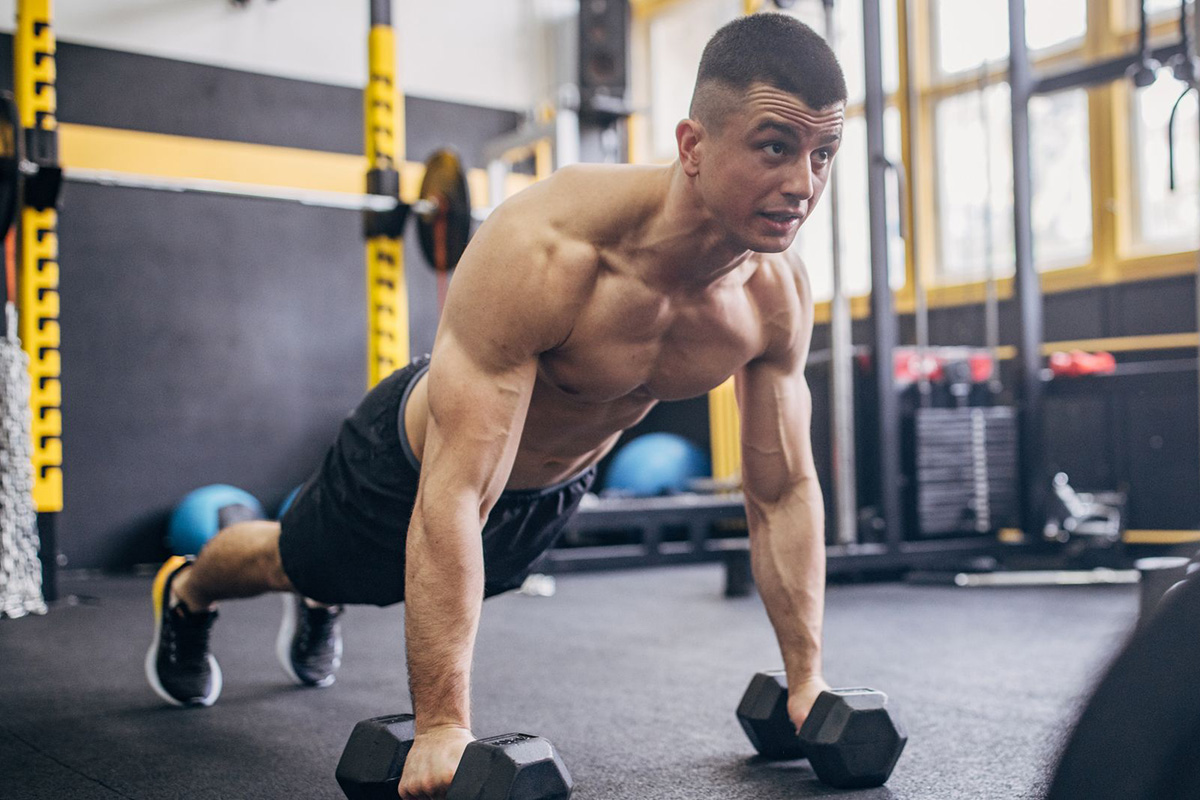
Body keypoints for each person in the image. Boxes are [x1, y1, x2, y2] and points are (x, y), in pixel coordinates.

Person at [145, 12, 846, 799]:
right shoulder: (548, 247)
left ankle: (323, 595)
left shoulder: (774, 298)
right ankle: (188, 592)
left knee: (401, 580)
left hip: (545, 499)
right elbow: (454, 492)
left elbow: (782, 492)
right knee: (293, 560)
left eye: (824, 154)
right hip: (412, 468)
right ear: (693, 145)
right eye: (775, 147)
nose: (803, 184)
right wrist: (442, 726)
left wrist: (807, 681)